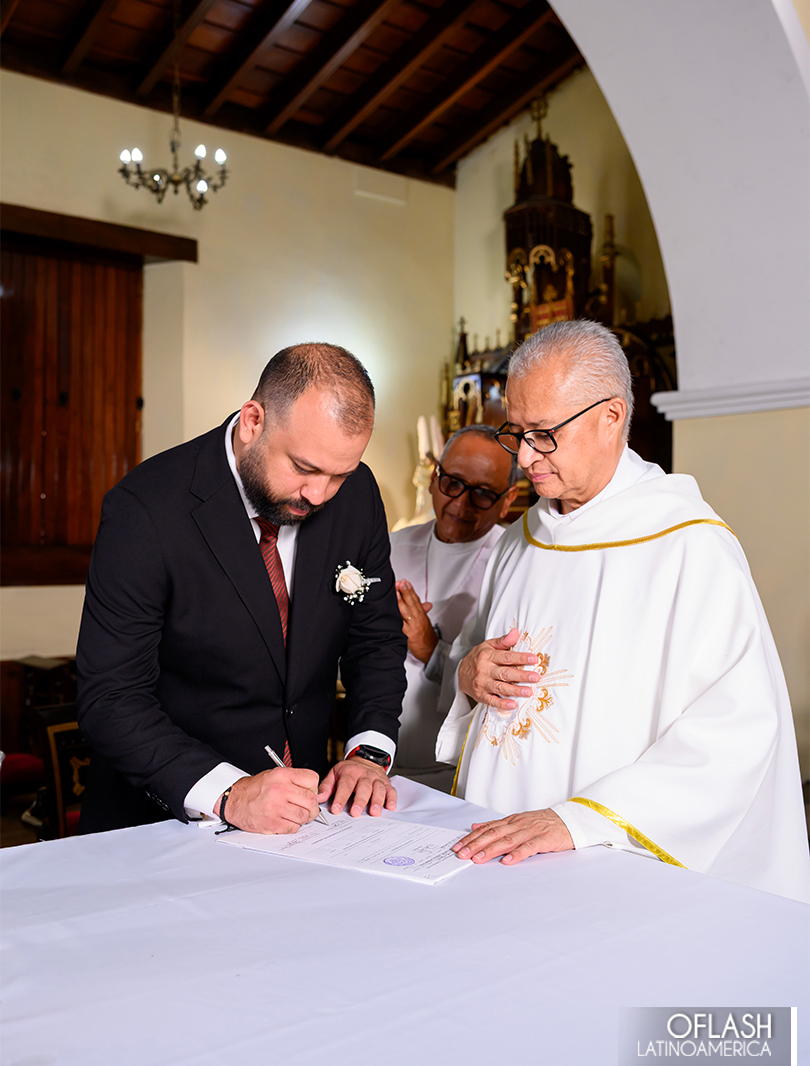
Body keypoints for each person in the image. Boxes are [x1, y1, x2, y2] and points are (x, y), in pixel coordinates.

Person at [437, 320, 810, 903]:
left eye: (544, 434)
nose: (525, 457)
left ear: (611, 416)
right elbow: (470, 659)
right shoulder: (518, 541)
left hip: (610, 856)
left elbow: (736, 730)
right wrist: (468, 673)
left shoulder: (688, 545)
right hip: (496, 843)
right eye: (518, 433)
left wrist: (580, 819)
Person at [77, 343, 406, 835]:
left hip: (307, 821)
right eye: (304, 468)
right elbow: (111, 697)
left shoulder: (357, 496)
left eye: (339, 474)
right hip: (166, 819)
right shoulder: (146, 508)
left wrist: (368, 754)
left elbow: (376, 640)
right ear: (253, 421)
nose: (318, 495)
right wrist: (229, 793)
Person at [390, 425, 519, 792]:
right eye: (452, 484)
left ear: (508, 499)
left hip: (458, 772)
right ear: (435, 477)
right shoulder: (389, 548)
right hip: (377, 760)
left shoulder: (515, 563)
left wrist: (432, 650)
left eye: (483, 494)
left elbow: (512, 685)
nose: (461, 504)